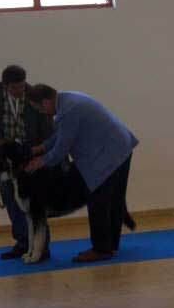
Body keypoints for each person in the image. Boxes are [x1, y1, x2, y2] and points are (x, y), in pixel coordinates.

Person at [25, 84, 138, 263]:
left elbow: (62, 148)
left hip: (108, 153)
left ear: (45, 103)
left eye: (38, 108)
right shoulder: (68, 100)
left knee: (97, 200)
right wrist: (42, 147)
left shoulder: (68, 111)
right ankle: (111, 245)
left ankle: (101, 249)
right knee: (114, 199)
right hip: (121, 146)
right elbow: (62, 134)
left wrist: (40, 162)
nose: (41, 112)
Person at [0, 65, 54, 260]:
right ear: (5, 85)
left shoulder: (33, 94)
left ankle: (41, 246)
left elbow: (47, 125)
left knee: (36, 202)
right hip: (5, 152)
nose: (20, 91)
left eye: (22, 86)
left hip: (30, 152)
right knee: (10, 197)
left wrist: (42, 153)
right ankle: (22, 242)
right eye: (15, 88)